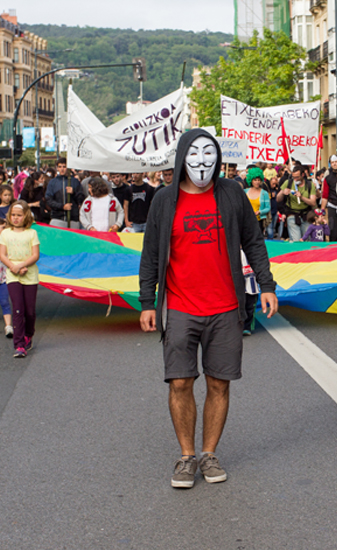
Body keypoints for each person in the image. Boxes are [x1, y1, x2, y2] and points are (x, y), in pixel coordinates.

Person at [138, 129, 278, 488]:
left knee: (219, 382)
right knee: (180, 381)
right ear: (182, 158)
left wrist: (266, 285)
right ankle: (186, 456)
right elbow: (151, 253)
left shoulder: (231, 193)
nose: (202, 163)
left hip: (226, 307)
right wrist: (147, 302)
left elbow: (253, 241)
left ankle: (209, 453)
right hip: (179, 306)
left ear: (217, 159)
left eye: (209, 155)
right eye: (195, 155)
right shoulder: (164, 200)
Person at [0, 200, 41, 358]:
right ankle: (19, 345)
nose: (16, 218)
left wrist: (22, 265)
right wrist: (13, 267)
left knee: (29, 311)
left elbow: (35, 255)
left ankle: (29, 334)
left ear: (26, 216)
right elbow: (2, 255)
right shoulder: (5, 233)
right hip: (13, 274)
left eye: (19, 215)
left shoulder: (32, 233)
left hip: (29, 274)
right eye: (13, 215)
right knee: (18, 309)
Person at [277, 165, 318, 242]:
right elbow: (278, 199)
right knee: (296, 240)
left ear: (303, 174)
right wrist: (282, 192)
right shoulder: (288, 183)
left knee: (306, 240)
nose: (295, 179)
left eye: (297, 177)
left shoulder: (309, 185)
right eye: (293, 177)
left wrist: (301, 197)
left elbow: (313, 202)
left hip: (306, 215)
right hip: (292, 214)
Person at [45, 158, 84, 229]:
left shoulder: (75, 182)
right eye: (60, 167)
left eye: (64, 166)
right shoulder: (52, 182)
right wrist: (62, 206)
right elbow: (49, 199)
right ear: (57, 168)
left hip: (73, 218)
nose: (62, 169)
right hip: (57, 218)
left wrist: (73, 192)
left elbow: (81, 199)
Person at [320, 155, 337, 242]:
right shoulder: (328, 178)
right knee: (333, 229)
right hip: (332, 205)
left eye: (336, 162)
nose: (334, 164)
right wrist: (322, 210)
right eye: (332, 162)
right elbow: (325, 195)